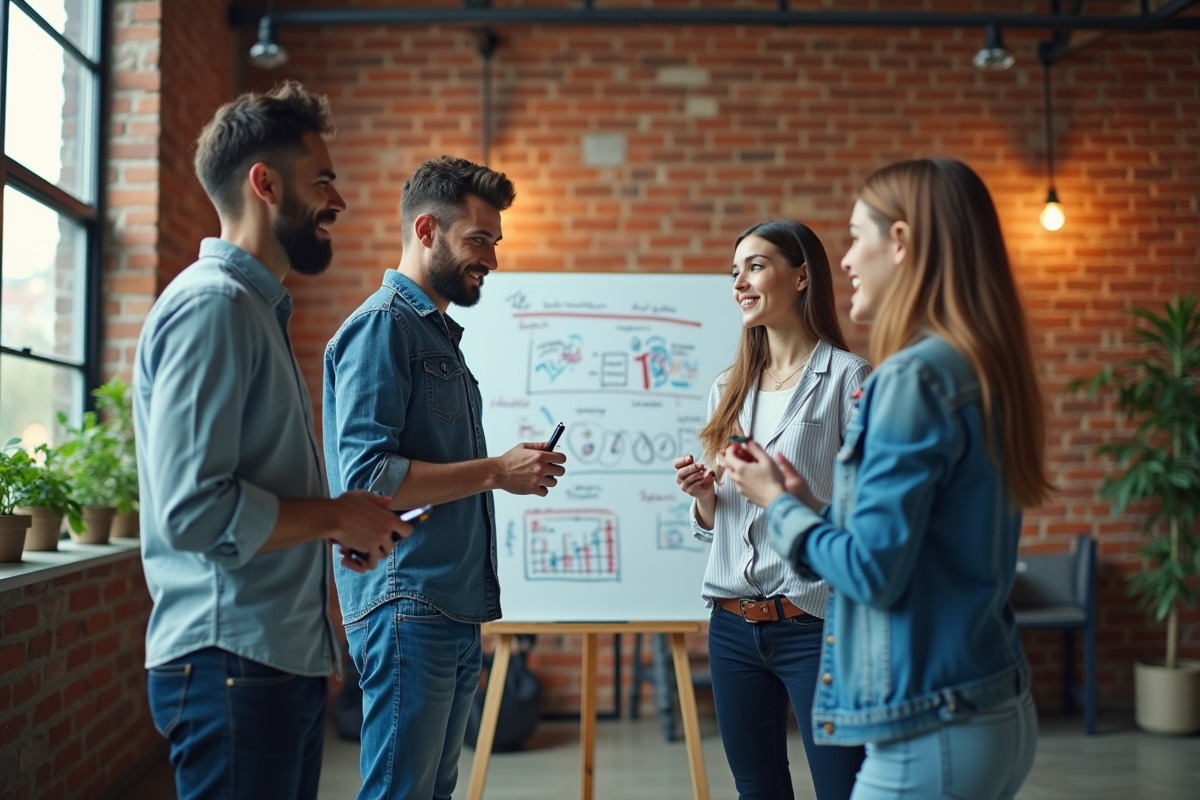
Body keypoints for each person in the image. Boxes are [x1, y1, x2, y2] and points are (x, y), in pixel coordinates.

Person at [726, 158, 1048, 800]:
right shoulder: (979, 367)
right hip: (993, 703)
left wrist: (778, 508)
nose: (845, 260)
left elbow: (872, 570)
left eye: (855, 236)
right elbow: (911, 542)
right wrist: (803, 502)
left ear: (899, 243)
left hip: (932, 726)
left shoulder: (909, 379)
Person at [134, 82, 410, 800]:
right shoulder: (214, 308)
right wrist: (331, 517)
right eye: (323, 180)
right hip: (231, 662)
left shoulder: (254, 310)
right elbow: (192, 510)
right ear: (265, 183)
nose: (339, 202)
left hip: (269, 662)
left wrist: (334, 520)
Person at [323, 156, 567, 800]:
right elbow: (370, 477)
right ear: (426, 230)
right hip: (409, 604)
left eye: (495, 241)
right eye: (478, 239)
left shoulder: (435, 336)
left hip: (448, 607)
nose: (491, 257)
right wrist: (495, 471)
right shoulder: (383, 327)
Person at [674, 219, 869, 800]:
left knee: (842, 787)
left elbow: (864, 517)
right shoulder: (727, 388)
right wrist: (707, 501)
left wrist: (787, 499)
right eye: (735, 272)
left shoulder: (849, 380)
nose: (740, 282)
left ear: (802, 275)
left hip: (817, 622)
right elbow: (725, 526)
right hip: (732, 624)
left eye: (755, 266)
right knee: (757, 788)